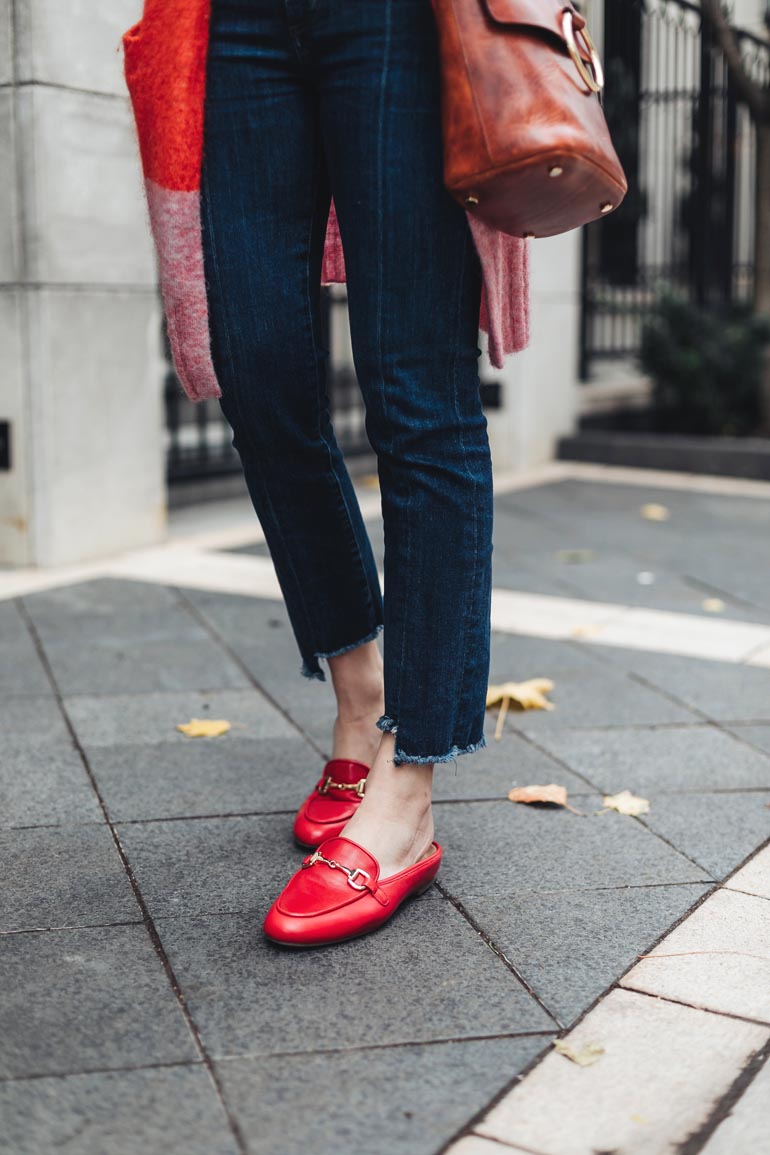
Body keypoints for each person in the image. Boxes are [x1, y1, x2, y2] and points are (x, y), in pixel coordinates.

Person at [122, 0, 529, 948]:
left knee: (416, 393)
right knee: (256, 372)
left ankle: (407, 787)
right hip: (229, 21)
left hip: (395, 19)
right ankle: (359, 693)